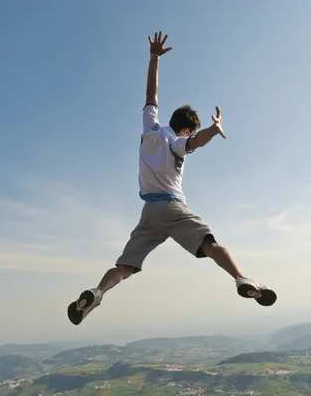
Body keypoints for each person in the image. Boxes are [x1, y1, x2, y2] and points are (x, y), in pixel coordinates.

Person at [67, 31, 277, 326]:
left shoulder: (151, 130)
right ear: (187, 130)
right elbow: (193, 144)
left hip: (149, 213)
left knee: (125, 266)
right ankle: (242, 278)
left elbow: (150, 95)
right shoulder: (177, 143)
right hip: (173, 208)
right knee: (210, 244)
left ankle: (96, 292)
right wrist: (213, 131)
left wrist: (154, 57)